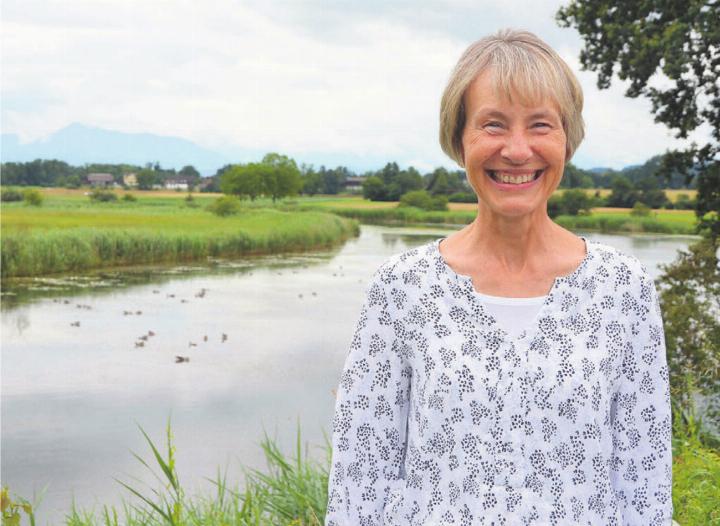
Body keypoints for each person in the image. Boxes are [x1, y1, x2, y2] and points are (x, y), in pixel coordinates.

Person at [325, 29, 673, 526]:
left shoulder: (624, 289)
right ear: (459, 138)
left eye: (540, 125)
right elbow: (359, 480)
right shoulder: (402, 289)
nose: (516, 150)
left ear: (566, 140)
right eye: (492, 125)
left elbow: (645, 488)